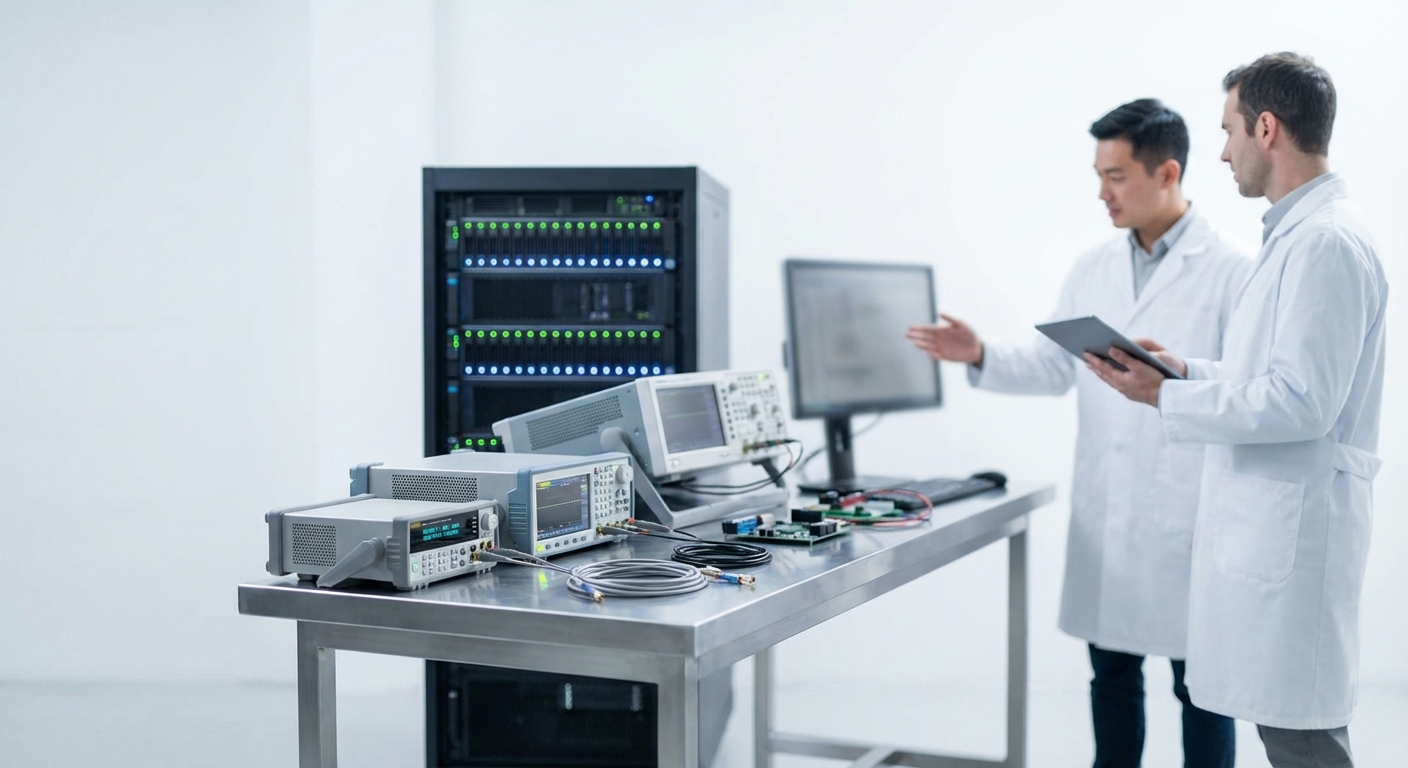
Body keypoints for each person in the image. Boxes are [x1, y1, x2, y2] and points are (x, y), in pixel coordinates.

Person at [908, 99, 1251, 767]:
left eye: (1116, 176)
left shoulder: (1234, 270)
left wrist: (1177, 383)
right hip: (1112, 516)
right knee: (1112, 682)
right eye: (1099, 174)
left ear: (1168, 173)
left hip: (1190, 518)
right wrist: (978, 353)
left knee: (1203, 691)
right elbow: (1051, 367)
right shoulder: (1094, 266)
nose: (1102, 193)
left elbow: (1244, 390)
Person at [1085, 53, 1387, 768]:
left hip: (1297, 543)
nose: (1219, 152)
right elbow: (1273, 376)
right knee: (1288, 737)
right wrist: (1186, 370)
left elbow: (1302, 402)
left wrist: (1167, 395)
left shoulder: (1325, 244)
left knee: (1305, 744)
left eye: (1228, 131)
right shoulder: (1295, 238)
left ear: (1267, 127)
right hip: (1272, 536)